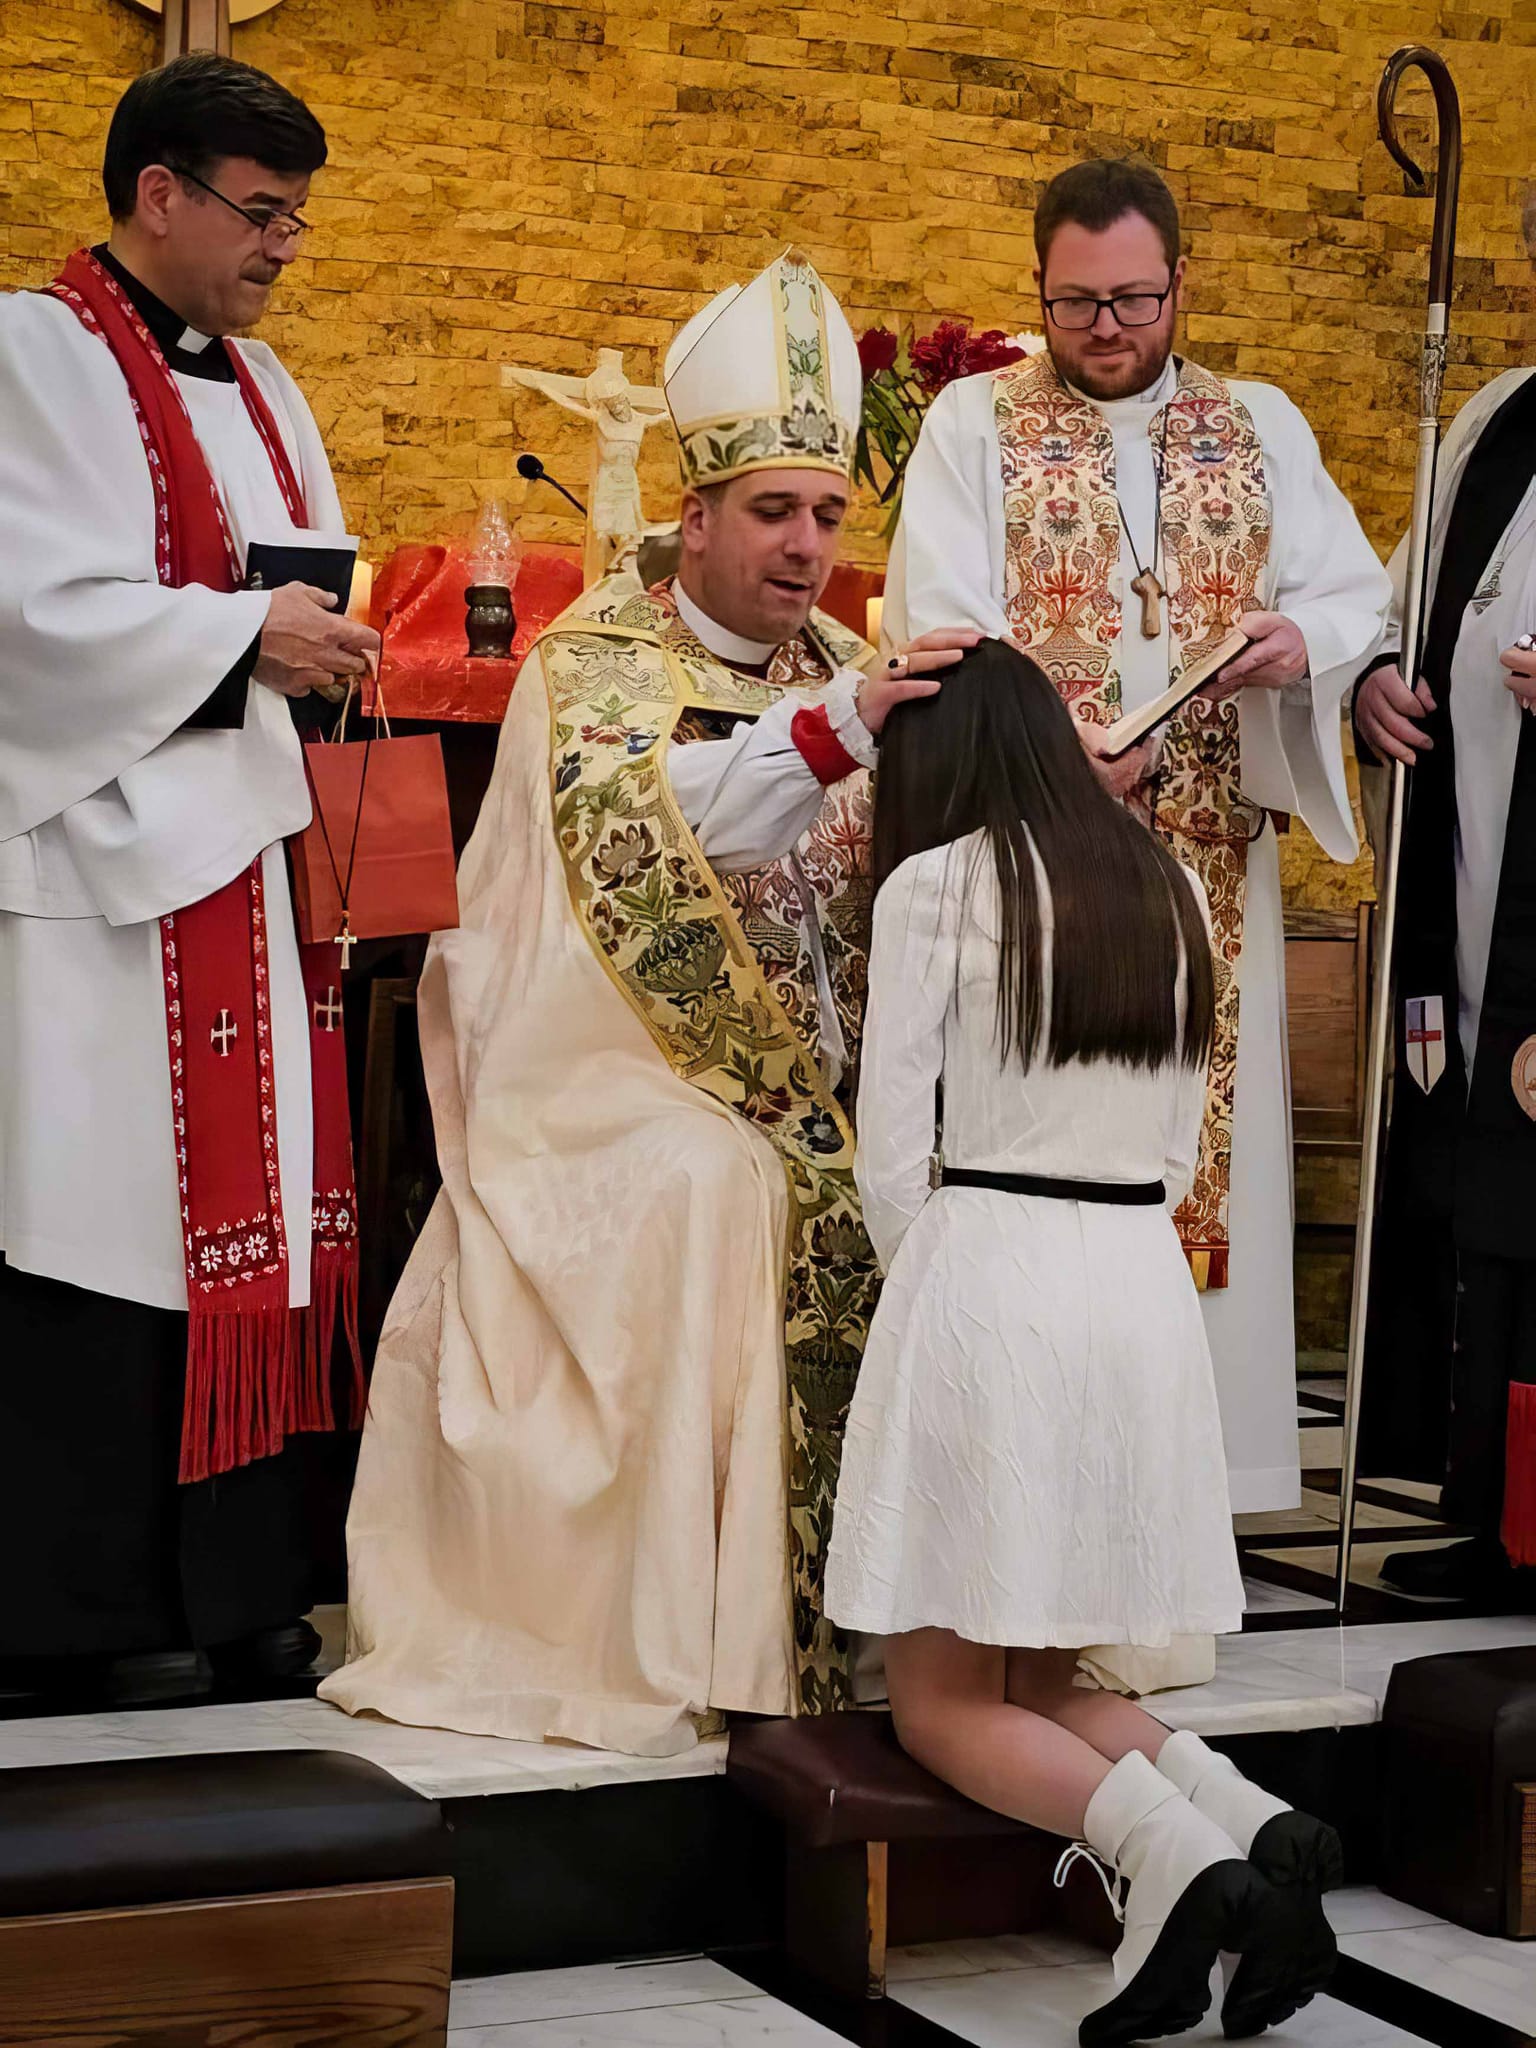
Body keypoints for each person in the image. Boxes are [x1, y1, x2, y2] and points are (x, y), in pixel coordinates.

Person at [321, 251, 964, 1755]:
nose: (807, 547)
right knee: (726, 1185)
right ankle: (725, 1636)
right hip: (605, 1080)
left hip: (829, 1069)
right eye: (772, 513)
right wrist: (833, 732)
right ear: (695, 518)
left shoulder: (851, 662)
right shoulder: (598, 664)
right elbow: (652, 843)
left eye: (825, 514)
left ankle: (925, 1629)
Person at [824, 639, 1339, 2047]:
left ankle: (1172, 1866)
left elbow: (888, 1149)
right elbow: (1182, 1148)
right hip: (1137, 1283)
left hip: (994, 1265)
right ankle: (1258, 1821)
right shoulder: (1164, 881)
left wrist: (924, 1292)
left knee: (936, 1699)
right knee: (1049, 1674)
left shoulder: (938, 884)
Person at [885, 157, 1392, 1532]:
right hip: (1038, 857)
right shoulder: (973, 425)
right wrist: (1063, 759)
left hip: (1212, 843)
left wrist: (1309, 644)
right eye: (1076, 305)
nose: (1107, 330)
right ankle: (1037, 1485)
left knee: (1203, 1148)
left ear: (1182, 282)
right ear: (1038, 289)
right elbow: (941, 619)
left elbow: (1353, 594)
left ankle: (1189, 1493)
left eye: (1133, 301)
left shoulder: (1260, 422)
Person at [0, 55, 381, 1705]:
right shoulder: (30, 355)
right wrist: (245, 634)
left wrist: (315, 634)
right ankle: (70, 1613)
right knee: (92, 1240)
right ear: (157, 191)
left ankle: (236, 1586)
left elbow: (290, 577)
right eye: (260, 210)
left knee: (248, 1242)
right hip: (96, 884)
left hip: (240, 855)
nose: (285, 245)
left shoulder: (268, 383)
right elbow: (22, 614)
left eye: (296, 215)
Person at [1354, 263, 1536, 1601]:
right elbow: (1393, 600)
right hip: (1478, 885)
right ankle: (1494, 1504)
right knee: (1488, 1165)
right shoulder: (1495, 422)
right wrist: (1368, 681)